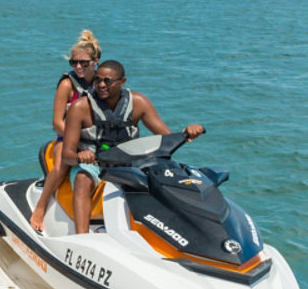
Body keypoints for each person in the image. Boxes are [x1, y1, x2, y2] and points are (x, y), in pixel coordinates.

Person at [58, 60, 204, 234]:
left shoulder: (138, 102)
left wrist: (187, 132)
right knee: (83, 180)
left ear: (122, 82)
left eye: (107, 81)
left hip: (130, 163)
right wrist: (80, 157)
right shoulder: (80, 107)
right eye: (97, 80)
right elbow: (67, 154)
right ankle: (82, 238)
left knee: (165, 176)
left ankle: (172, 231)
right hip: (95, 165)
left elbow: (166, 138)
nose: (101, 85)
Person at [30, 30, 101, 231]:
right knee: (62, 165)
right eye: (74, 63)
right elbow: (56, 122)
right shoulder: (67, 85)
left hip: (95, 139)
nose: (78, 67)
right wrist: (77, 143)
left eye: (83, 63)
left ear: (95, 62)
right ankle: (40, 207)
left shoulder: (101, 83)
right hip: (67, 139)